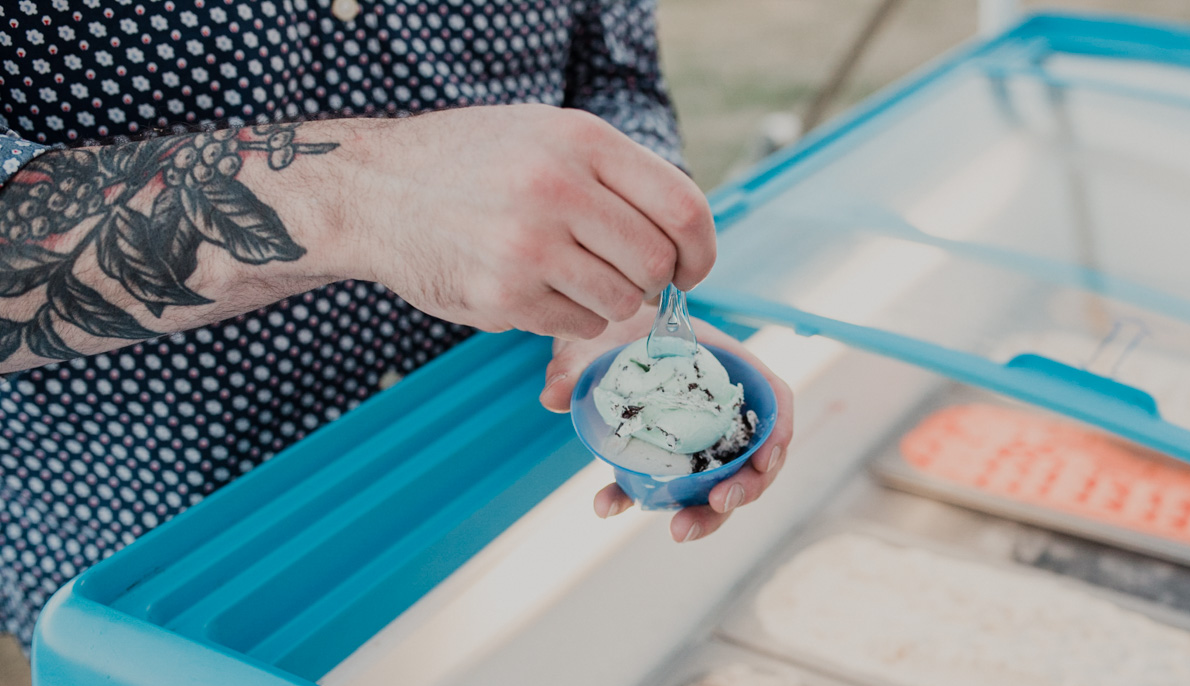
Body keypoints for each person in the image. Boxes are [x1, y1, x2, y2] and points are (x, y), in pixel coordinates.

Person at [0, 1, 794, 644]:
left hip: (496, 468)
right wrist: (361, 195)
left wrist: (619, 282)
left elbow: (615, 80)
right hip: (164, 551)